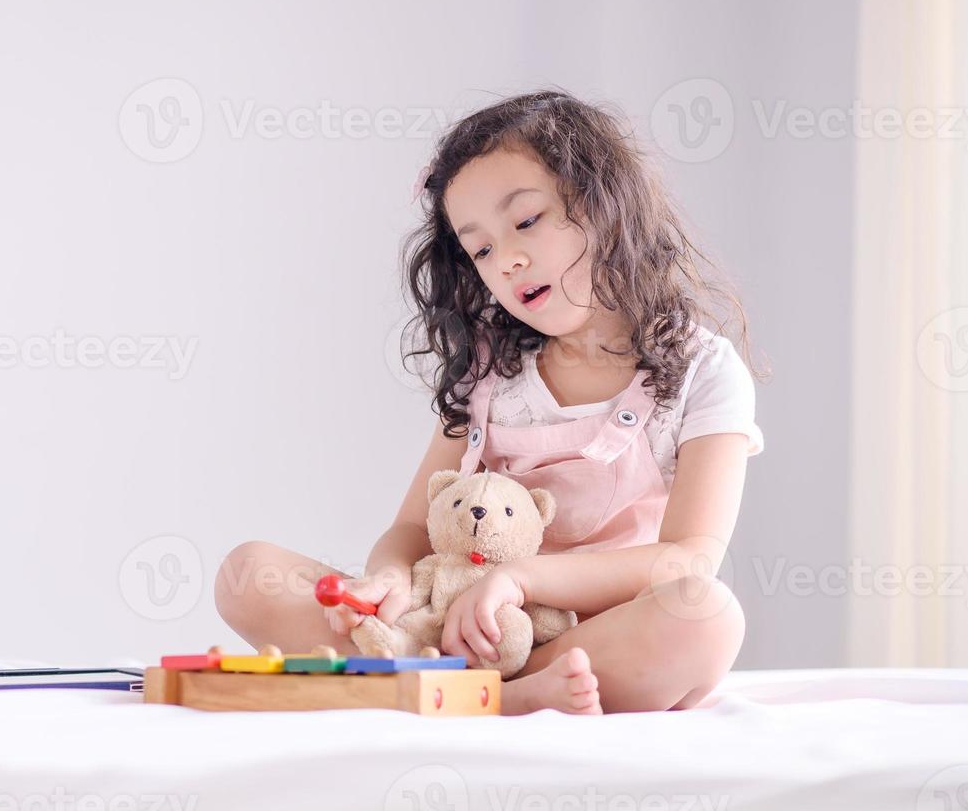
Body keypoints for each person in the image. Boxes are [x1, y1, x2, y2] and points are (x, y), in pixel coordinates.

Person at [214, 90, 767, 715]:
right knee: (248, 572)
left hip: (583, 638)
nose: (507, 260)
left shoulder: (702, 369)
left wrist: (521, 581)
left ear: (607, 206)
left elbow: (686, 557)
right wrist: (390, 579)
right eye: (480, 249)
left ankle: (491, 689)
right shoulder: (489, 367)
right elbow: (410, 530)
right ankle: (484, 690)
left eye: (526, 221)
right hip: (453, 628)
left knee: (705, 616)